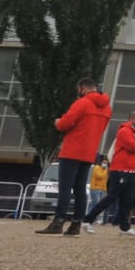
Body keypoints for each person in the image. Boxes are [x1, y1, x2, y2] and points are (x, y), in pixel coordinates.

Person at [36, 78, 112, 237]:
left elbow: (66, 123)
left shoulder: (82, 103)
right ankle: (76, 224)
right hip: (89, 153)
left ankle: (58, 221)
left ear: (83, 89)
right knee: (80, 189)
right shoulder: (107, 109)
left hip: (72, 150)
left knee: (65, 187)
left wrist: (58, 122)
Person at [82, 110, 135, 235]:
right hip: (119, 170)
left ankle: (124, 227)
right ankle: (87, 219)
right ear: (132, 119)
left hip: (131, 171)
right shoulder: (124, 131)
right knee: (111, 197)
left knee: (127, 200)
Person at [83, 155, 110, 228]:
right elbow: (99, 176)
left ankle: (90, 218)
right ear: (101, 162)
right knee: (95, 204)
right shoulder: (97, 168)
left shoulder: (105, 170)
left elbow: (105, 180)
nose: (105, 164)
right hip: (95, 188)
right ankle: (91, 219)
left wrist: (105, 189)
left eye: (106, 163)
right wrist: (105, 170)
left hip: (102, 189)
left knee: (96, 204)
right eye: (104, 162)